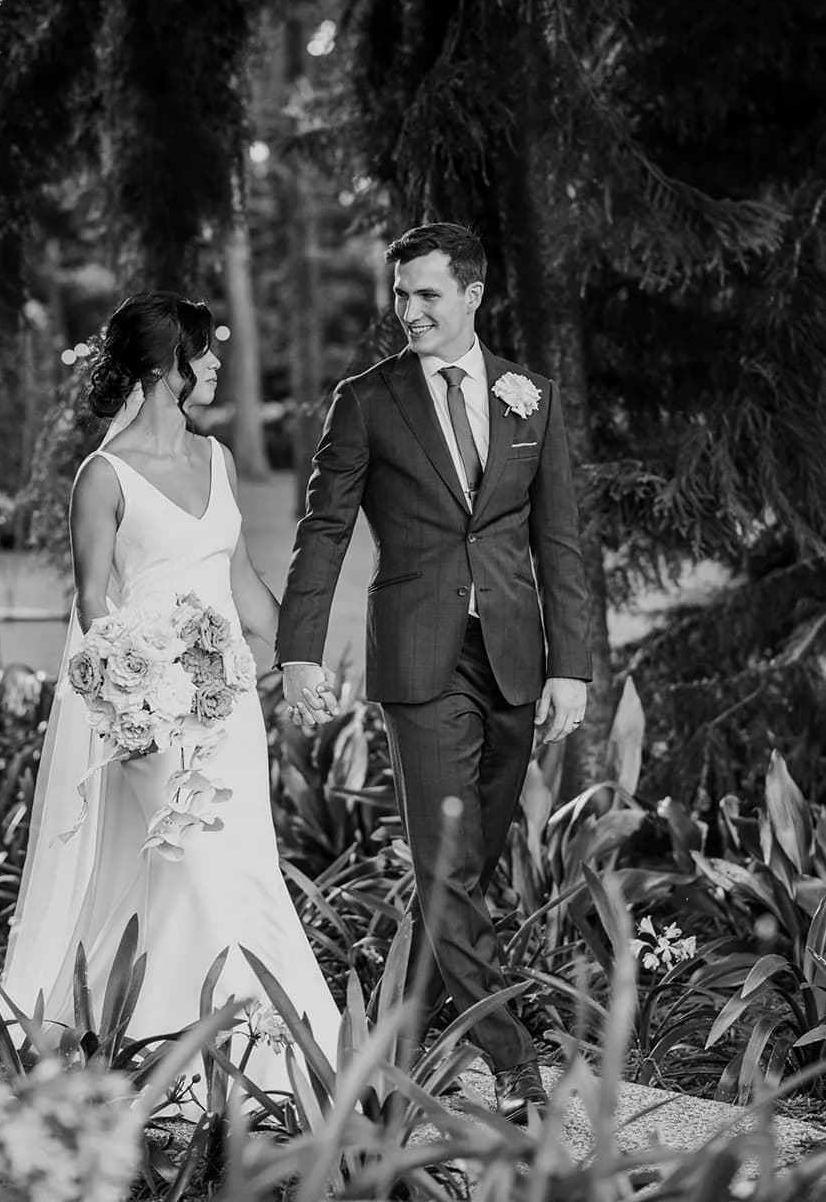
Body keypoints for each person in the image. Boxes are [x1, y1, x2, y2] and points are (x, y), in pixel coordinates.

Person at [275, 221, 592, 1124]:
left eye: (426, 295)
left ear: (472, 296)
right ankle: (513, 1060)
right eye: (400, 294)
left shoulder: (531, 397)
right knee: (447, 865)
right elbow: (324, 529)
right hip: (418, 659)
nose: (407, 310)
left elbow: (556, 539)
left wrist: (569, 668)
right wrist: (299, 648)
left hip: (516, 661)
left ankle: (397, 1042)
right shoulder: (367, 401)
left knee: (466, 866)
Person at [2, 292, 339, 1084]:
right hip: (147, 713)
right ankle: (197, 1060)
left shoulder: (216, 458)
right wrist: (132, 701)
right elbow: (92, 605)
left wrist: (301, 654)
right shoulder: (103, 475)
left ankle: (261, 1048)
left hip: (228, 708)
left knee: (240, 861)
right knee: (190, 866)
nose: (216, 361)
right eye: (204, 349)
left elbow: (242, 581)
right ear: (163, 364)